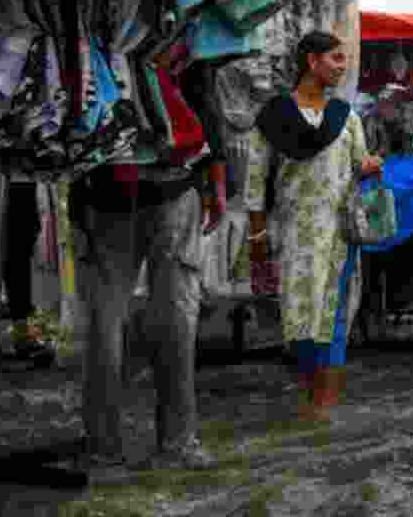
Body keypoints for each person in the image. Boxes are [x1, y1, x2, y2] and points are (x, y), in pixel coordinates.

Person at [68, 43, 231, 471]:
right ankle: (170, 443)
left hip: (129, 185)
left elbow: (201, 84)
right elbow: (202, 85)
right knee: (157, 319)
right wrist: (217, 174)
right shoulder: (175, 2)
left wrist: (216, 174)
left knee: (117, 321)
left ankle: (108, 446)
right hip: (147, 183)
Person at [246, 32, 382, 424]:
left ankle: (325, 405)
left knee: (336, 315)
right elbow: (256, 178)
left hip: (339, 232)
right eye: (335, 59)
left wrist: (370, 166)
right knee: (299, 315)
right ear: (311, 61)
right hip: (295, 233)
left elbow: (359, 164)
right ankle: (309, 400)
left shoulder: (347, 116)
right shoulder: (274, 117)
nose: (342, 66)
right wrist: (257, 234)